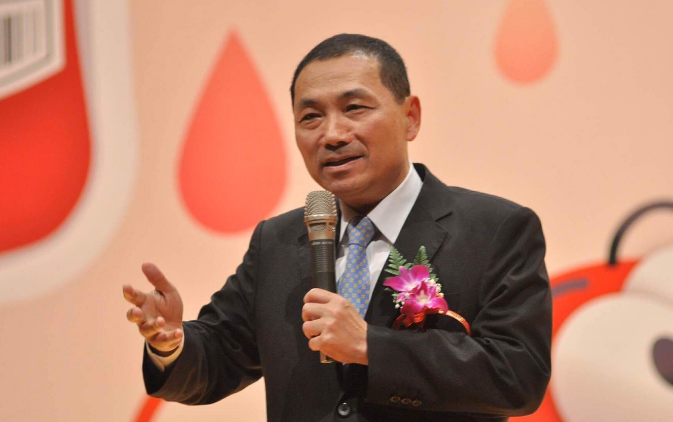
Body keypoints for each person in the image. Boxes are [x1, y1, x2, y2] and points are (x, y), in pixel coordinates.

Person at [123, 34, 552, 422]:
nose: (332, 135)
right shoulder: (278, 241)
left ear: (410, 117)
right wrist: (171, 345)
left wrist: (371, 346)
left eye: (354, 109)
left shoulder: (494, 230)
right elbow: (219, 356)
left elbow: (518, 375)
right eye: (310, 117)